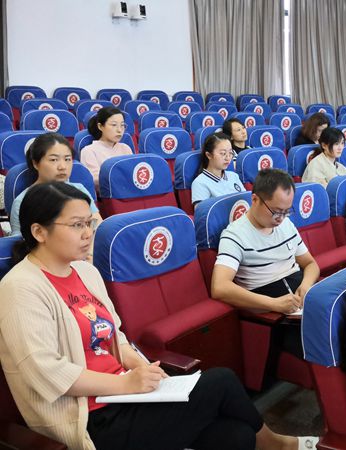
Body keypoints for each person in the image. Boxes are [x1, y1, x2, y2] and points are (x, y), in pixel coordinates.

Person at [0, 182, 317, 450]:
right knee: (221, 381)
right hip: (90, 418)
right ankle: (278, 444)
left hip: (126, 396)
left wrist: (141, 368)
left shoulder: (85, 272)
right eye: (76, 225)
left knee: (236, 436)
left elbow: (116, 337)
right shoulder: (20, 287)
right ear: (39, 231)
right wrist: (125, 384)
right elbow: (47, 373)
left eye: (89, 223)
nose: (87, 234)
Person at [211, 169, 320, 355]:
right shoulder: (234, 235)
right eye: (276, 211)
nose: (281, 219)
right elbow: (219, 287)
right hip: (273, 310)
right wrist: (274, 304)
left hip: (301, 298)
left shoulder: (286, 224)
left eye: (286, 211)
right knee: (324, 337)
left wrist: (306, 285)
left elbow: (310, 264)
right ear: (255, 200)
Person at [9, 133, 102, 239]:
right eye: (53, 160)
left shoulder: (79, 189)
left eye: (67, 159)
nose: (62, 167)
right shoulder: (22, 201)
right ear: (35, 163)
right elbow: (20, 241)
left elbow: (96, 224)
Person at [80, 106, 133, 188]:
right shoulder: (89, 151)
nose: (119, 130)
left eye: (122, 125)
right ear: (100, 126)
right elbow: (96, 181)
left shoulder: (125, 148)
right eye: (114, 125)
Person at [190, 132, 245, 208]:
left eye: (230, 153)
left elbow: (245, 202)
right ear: (209, 155)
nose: (228, 158)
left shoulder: (234, 176)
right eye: (223, 153)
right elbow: (202, 213)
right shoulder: (199, 183)